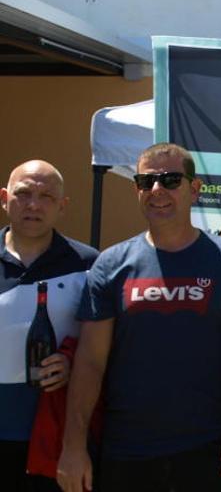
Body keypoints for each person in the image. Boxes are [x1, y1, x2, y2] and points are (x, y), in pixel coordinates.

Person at [57, 144, 221, 492]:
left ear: (194, 189)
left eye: (170, 180)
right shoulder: (111, 263)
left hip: (213, 449)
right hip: (129, 451)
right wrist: (73, 446)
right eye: (145, 181)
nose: (156, 190)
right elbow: (89, 363)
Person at [0, 160, 98, 492]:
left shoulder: (90, 265)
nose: (33, 205)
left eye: (46, 197)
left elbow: (101, 346)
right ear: (4, 198)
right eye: (23, 193)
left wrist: (74, 363)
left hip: (55, 437)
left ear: (62, 206)